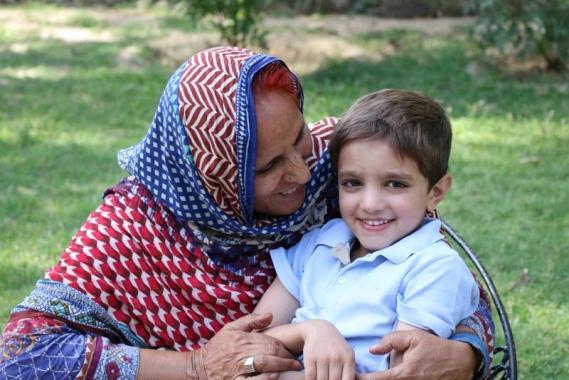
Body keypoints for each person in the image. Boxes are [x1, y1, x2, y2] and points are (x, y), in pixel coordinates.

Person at [0, 47, 493, 380]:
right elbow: (21, 357)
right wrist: (194, 367)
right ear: (211, 178)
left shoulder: (343, 164)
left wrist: (464, 353)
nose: (302, 172)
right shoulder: (130, 231)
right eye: (269, 165)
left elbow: (445, 272)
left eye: (299, 137)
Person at [253, 89, 480, 379]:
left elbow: (403, 373)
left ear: (435, 192)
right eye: (353, 183)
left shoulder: (434, 268)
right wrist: (311, 331)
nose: (370, 204)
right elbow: (254, 338)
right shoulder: (320, 243)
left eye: (395, 184)